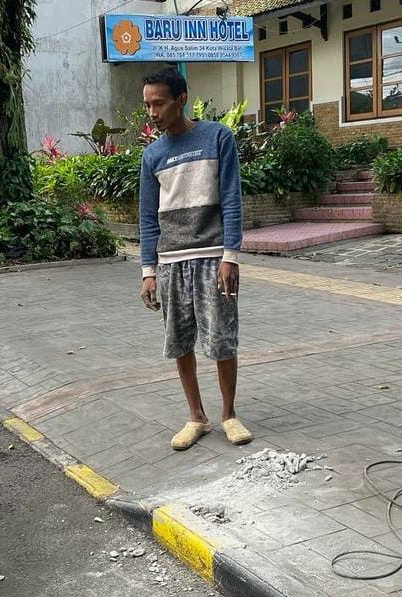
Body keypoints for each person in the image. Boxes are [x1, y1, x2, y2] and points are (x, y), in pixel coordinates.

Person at [138, 67, 252, 451]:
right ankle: (196, 417)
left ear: (181, 98)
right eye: (147, 105)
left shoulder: (217, 137)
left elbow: (232, 199)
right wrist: (148, 271)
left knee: (222, 339)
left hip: (212, 256)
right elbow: (147, 217)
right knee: (180, 341)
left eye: (159, 103)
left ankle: (229, 414)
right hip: (171, 262)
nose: (152, 112)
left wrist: (230, 256)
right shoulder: (152, 155)